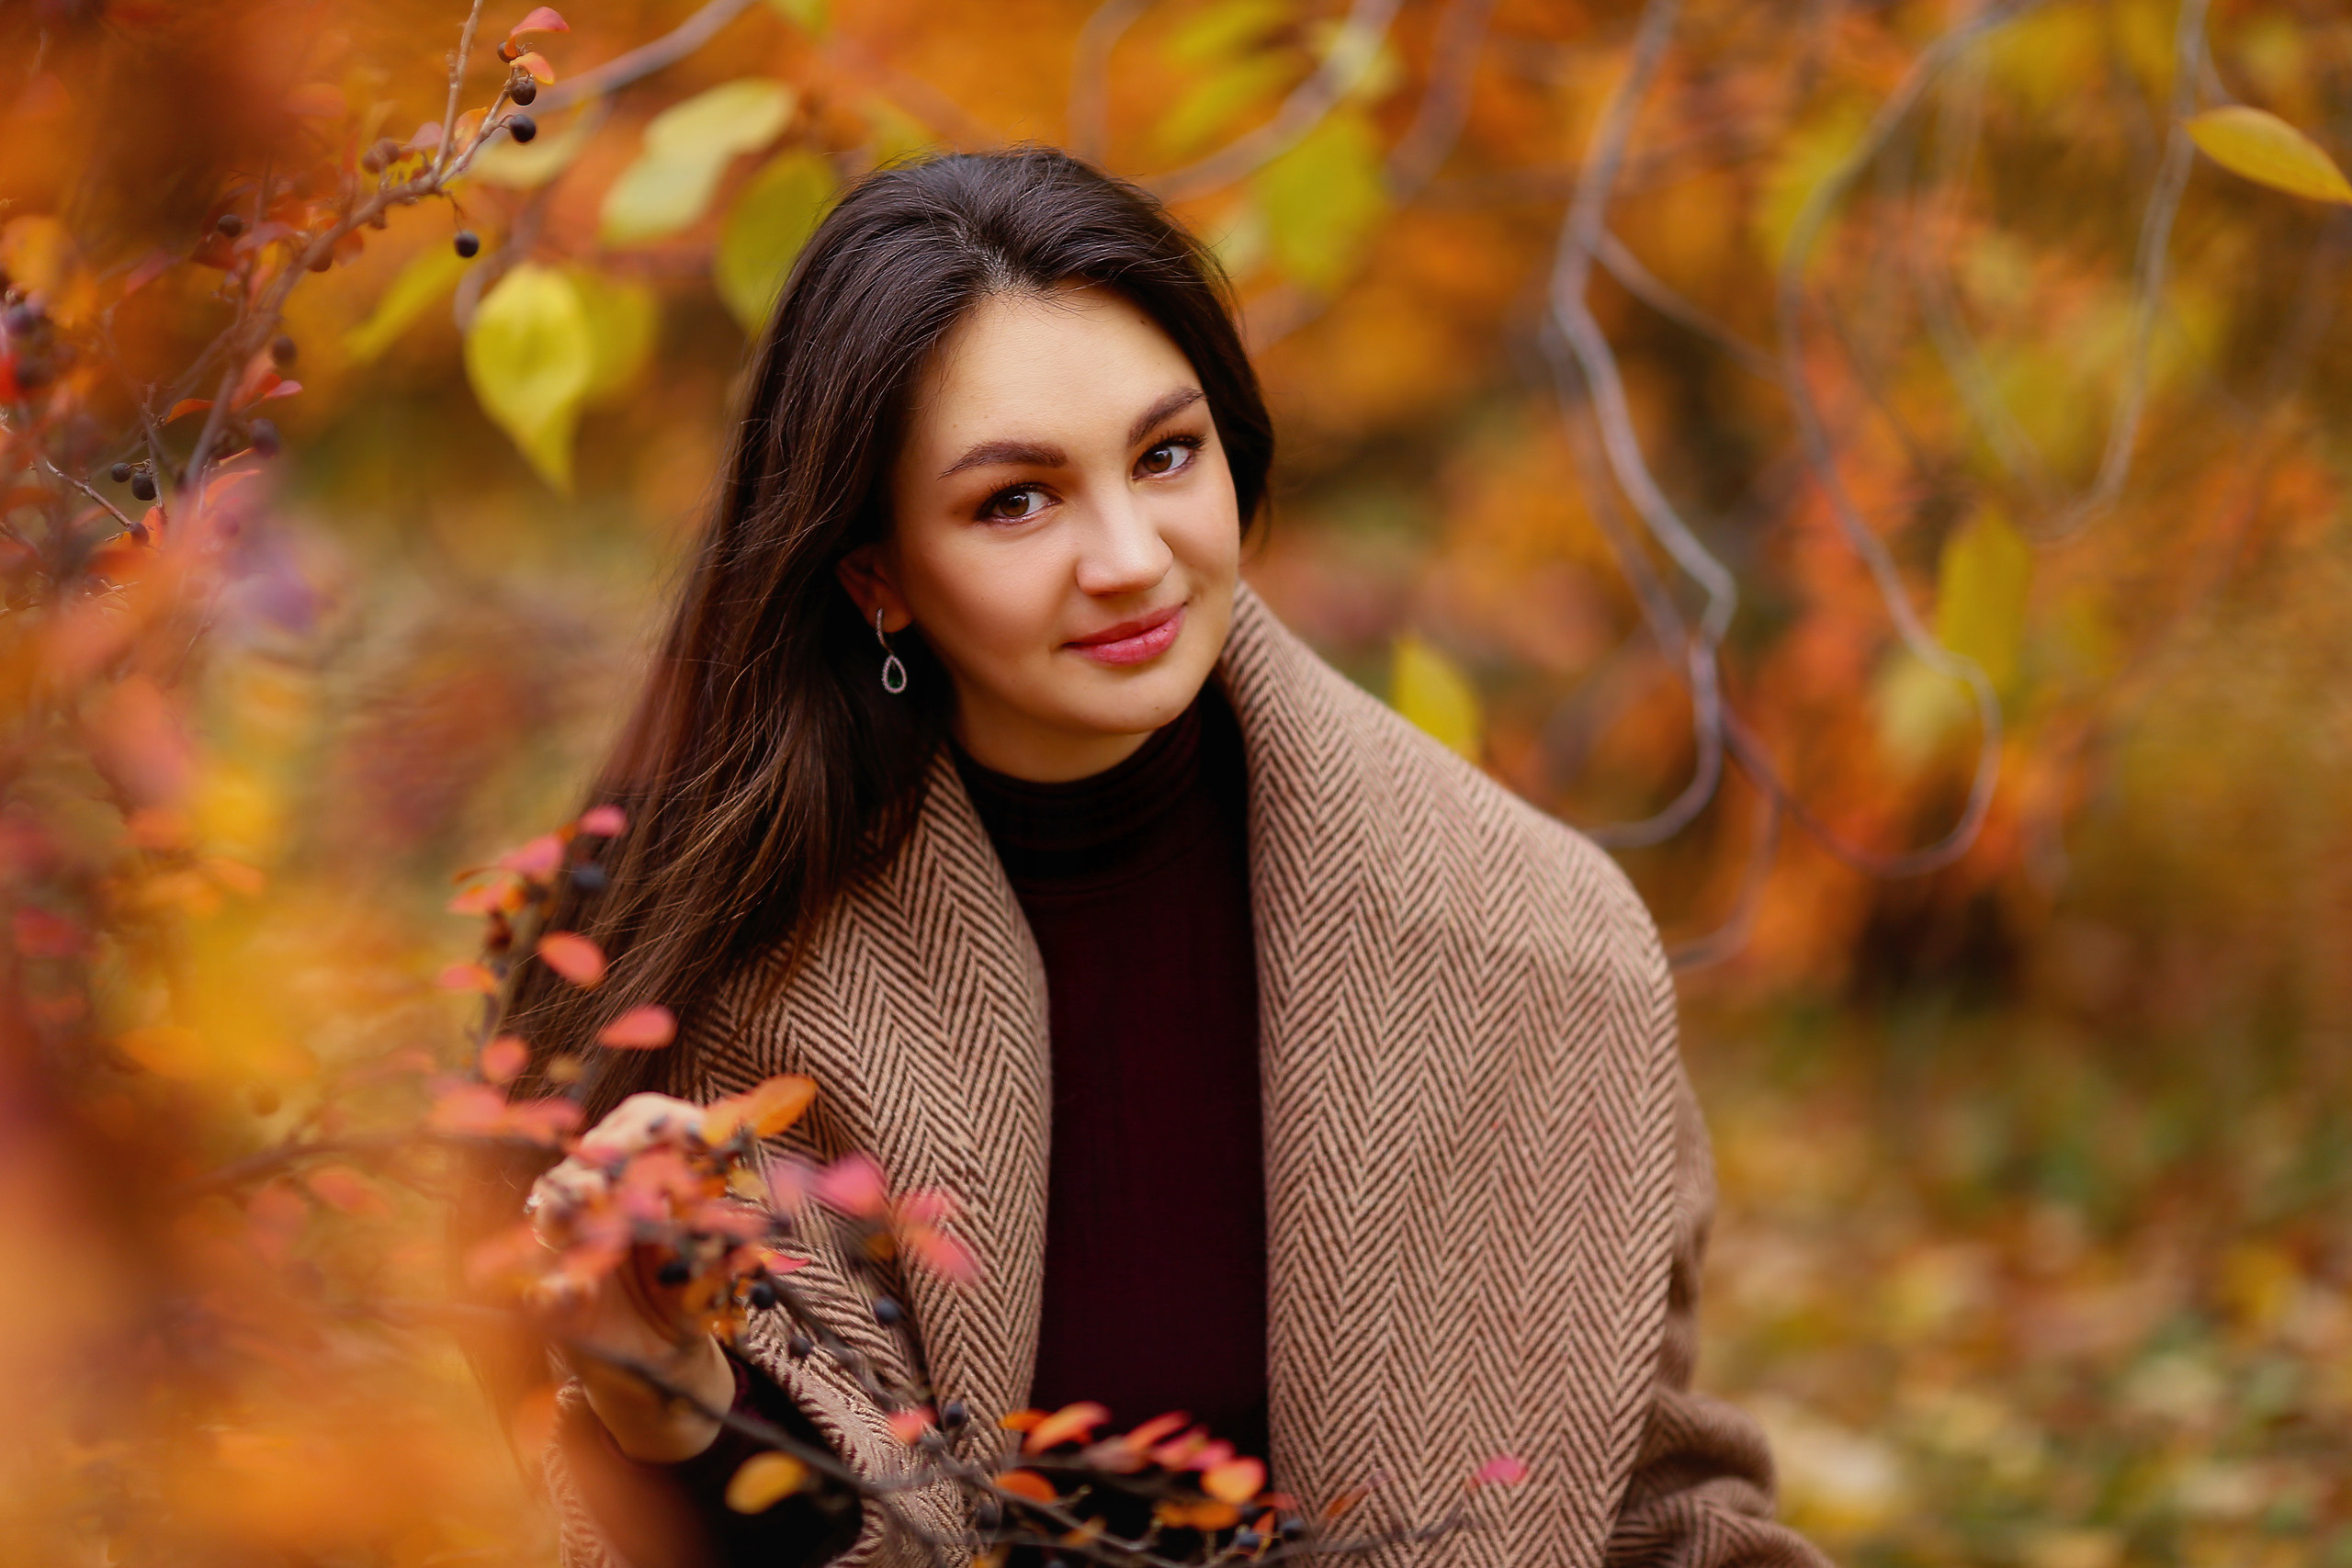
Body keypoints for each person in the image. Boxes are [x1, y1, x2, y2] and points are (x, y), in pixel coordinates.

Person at [460, 146, 1827, 1568]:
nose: (1129, 555)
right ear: (876, 574)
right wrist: (681, 1404)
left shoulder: (1533, 942)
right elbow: (783, 1510)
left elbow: (1656, 1508)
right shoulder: (716, 985)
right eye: (1017, 501)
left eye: (1166, 456)